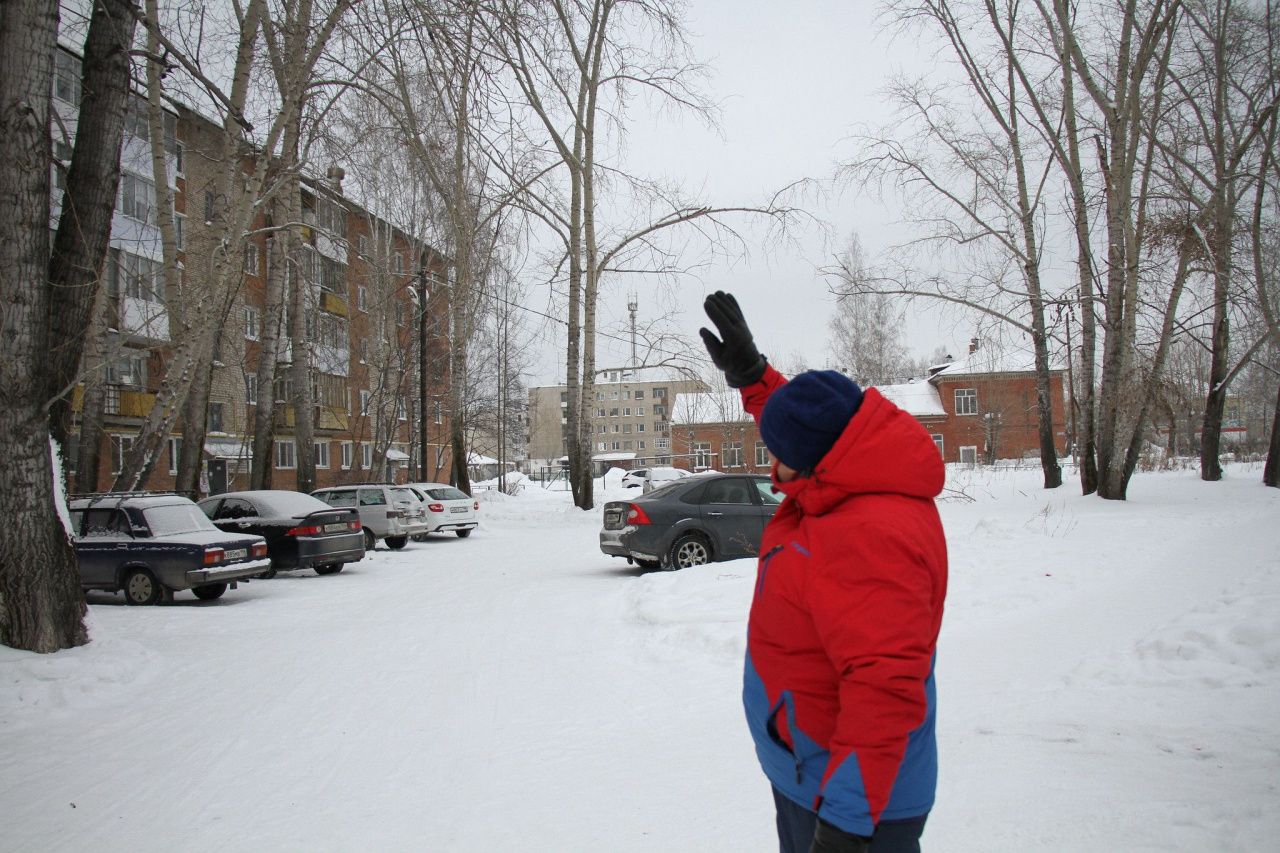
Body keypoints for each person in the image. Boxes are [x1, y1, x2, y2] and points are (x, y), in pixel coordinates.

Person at [700, 291, 948, 853]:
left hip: (852, 805)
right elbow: (807, 424)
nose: (773, 467)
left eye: (778, 456)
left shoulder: (869, 538)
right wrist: (754, 378)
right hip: (811, 770)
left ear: (814, 463)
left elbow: (883, 688)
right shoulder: (852, 469)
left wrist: (845, 825)